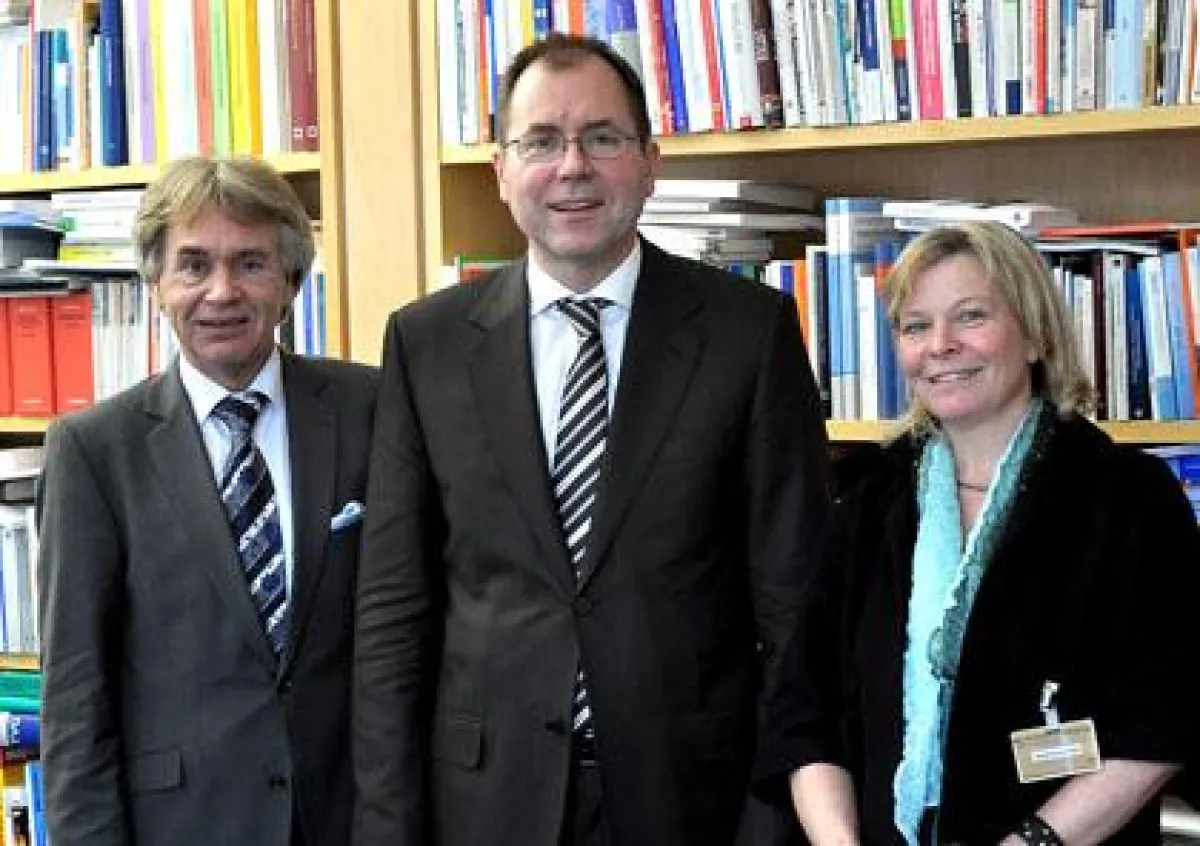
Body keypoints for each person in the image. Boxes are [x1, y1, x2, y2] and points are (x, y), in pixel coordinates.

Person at [352, 32, 830, 846]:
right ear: (500, 172)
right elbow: (395, 613)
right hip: (484, 803)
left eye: (601, 138)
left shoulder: (749, 333)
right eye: (540, 141)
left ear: (649, 161)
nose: (571, 166)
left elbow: (795, 603)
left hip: (698, 798)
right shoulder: (425, 344)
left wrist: (773, 817)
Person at [756, 221, 1200, 844]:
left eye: (970, 317)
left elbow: (1164, 718)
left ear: (1036, 335)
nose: (940, 345)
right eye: (915, 326)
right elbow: (804, 715)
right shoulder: (866, 501)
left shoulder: (1127, 499)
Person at [38, 155, 379, 846]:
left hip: (351, 816)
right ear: (156, 285)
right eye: (193, 265)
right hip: (179, 825)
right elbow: (77, 703)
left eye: (250, 263)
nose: (221, 291)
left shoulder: (371, 410)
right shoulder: (93, 450)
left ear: (290, 283)